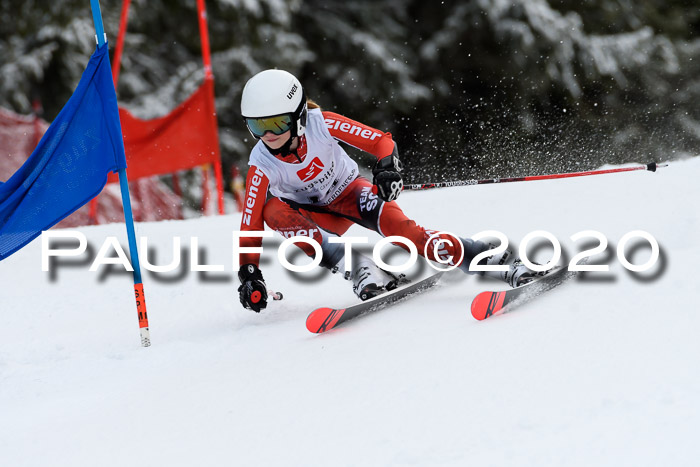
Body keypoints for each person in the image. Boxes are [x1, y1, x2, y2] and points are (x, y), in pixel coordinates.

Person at [237, 69, 541, 312]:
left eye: (276, 124)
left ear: (299, 115)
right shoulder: (260, 163)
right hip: (317, 217)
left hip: (351, 195)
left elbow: (381, 141)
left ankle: (485, 256)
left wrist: (386, 168)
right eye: (256, 126)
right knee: (272, 209)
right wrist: (249, 273)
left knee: (407, 234)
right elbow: (250, 223)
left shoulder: (322, 124)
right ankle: (360, 268)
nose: (267, 135)